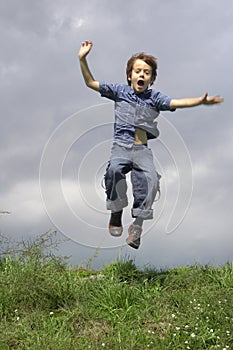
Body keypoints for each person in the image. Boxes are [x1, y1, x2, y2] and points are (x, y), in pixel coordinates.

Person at [78, 40, 223, 249]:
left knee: (151, 181)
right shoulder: (119, 91)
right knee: (114, 170)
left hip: (142, 150)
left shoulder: (155, 98)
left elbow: (175, 103)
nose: (142, 75)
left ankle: (136, 226)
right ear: (130, 75)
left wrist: (200, 101)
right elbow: (91, 83)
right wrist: (82, 59)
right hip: (121, 146)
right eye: (138, 71)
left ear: (151, 79)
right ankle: (116, 211)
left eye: (147, 73)